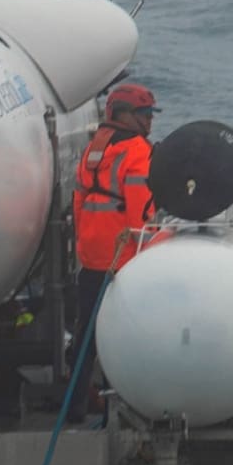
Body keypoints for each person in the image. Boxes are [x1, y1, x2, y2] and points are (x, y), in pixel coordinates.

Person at [66, 82, 161, 423]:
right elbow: (143, 213)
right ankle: (119, 411)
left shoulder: (94, 148)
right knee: (124, 338)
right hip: (124, 260)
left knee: (86, 339)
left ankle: (75, 407)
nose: (149, 121)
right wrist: (155, 251)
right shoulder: (137, 151)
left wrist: (83, 245)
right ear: (123, 115)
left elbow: (78, 202)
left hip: (92, 257)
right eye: (144, 114)